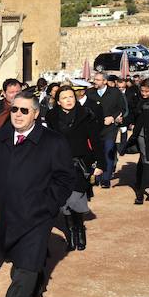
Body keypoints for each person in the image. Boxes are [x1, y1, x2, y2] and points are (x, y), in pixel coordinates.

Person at [0, 92, 74, 297]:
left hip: (38, 215)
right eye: (14, 110)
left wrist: (47, 204)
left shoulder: (53, 142)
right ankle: (37, 277)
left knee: (26, 264)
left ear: (36, 113)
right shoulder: (0, 138)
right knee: (18, 258)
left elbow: (65, 179)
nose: (18, 115)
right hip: (8, 215)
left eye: (24, 110)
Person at [45, 86, 105, 251]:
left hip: (81, 164)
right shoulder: (51, 116)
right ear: (58, 101)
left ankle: (80, 230)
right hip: (59, 165)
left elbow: (96, 140)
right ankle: (71, 234)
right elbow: (48, 141)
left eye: (71, 96)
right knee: (64, 201)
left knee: (75, 199)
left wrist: (101, 164)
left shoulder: (86, 114)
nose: (69, 100)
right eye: (64, 98)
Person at [86, 72, 126, 189]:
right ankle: (97, 177)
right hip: (94, 128)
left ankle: (106, 179)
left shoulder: (115, 92)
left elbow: (122, 108)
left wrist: (112, 118)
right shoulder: (90, 92)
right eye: (95, 79)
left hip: (110, 129)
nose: (95, 82)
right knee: (96, 153)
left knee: (108, 152)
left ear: (104, 81)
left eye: (98, 80)